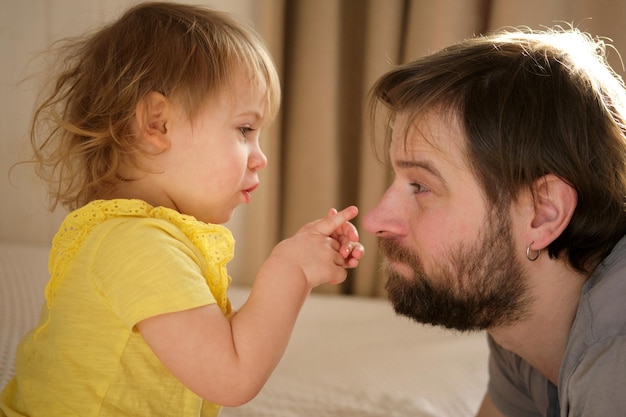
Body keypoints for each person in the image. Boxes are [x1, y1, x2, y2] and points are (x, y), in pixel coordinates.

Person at [0, 3, 364, 416]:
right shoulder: (136, 245)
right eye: (245, 129)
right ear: (158, 124)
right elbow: (232, 374)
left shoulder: (137, 237)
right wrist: (291, 269)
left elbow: (219, 343)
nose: (260, 157)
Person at [363, 26, 626, 417]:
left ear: (543, 213)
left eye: (421, 185)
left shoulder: (615, 358)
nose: (375, 220)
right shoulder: (518, 315)